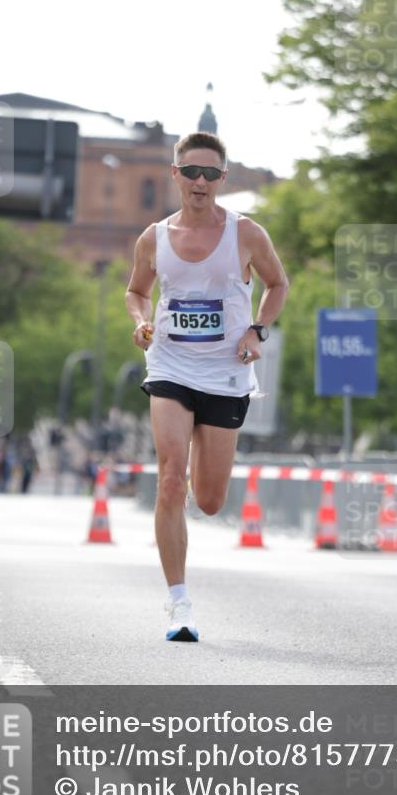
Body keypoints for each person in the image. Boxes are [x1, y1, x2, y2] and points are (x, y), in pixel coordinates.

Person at [125, 131, 289, 642]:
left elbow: (277, 284)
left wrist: (257, 329)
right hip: (171, 364)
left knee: (212, 499)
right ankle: (179, 605)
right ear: (175, 174)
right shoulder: (153, 237)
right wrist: (141, 319)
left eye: (210, 174)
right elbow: (136, 290)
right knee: (172, 479)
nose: (200, 182)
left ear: (223, 179)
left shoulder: (246, 234)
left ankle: (197, 475)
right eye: (190, 172)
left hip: (226, 372)